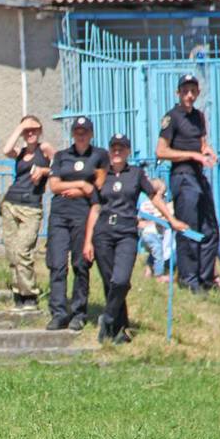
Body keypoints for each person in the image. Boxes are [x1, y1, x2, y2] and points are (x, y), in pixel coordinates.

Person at [82, 134, 188, 344]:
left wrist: (171, 219)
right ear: (109, 150)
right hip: (103, 233)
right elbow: (95, 208)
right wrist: (88, 241)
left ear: (128, 151)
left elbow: (154, 197)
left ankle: (108, 318)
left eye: (121, 148)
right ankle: (118, 331)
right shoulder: (102, 175)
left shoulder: (136, 174)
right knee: (110, 282)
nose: (117, 151)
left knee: (121, 281)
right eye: (114, 147)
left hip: (126, 232)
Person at [156, 73, 220, 293]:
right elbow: (161, 151)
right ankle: (188, 279)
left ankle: (206, 278)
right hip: (182, 176)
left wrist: (206, 150)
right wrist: (192, 155)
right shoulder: (171, 117)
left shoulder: (199, 117)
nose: (189, 95)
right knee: (189, 229)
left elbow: (201, 143)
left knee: (210, 229)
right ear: (178, 93)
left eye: (193, 91)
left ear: (198, 93)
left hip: (199, 176)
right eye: (185, 91)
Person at [46, 115, 108, 331]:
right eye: (77, 132)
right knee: (57, 263)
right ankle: (58, 312)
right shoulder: (62, 156)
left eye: (85, 132)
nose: (81, 136)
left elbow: (99, 185)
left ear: (91, 134)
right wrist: (81, 184)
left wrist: (82, 190)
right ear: (73, 134)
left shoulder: (99, 155)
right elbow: (54, 185)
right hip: (60, 213)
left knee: (80, 264)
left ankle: (78, 312)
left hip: (83, 213)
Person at [0, 115, 54, 311]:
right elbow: (6, 150)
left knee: (23, 250)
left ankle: (30, 294)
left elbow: (61, 167)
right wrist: (20, 127)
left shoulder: (44, 148)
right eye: (27, 131)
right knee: (12, 251)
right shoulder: (20, 152)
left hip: (31, 207)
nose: (30, 133)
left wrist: (44, 171)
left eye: (34, 129)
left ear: (40, 130)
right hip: (11, 203)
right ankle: (18, 293)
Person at [137, 177, 172, 282]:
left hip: (147, 233)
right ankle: (159, 275)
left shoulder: (145, 204)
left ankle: (148, 271)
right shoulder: (156, 205)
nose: (164, 196)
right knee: (158, 252)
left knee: (154, 252)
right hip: (152, 233)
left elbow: (140, 216)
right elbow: (161, 217)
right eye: (163, 194)